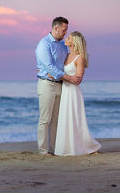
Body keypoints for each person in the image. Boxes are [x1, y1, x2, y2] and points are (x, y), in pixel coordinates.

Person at [35, 17, 82, 155]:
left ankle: (55, 149)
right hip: (47, 85)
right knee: (45, 120)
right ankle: (43, 151)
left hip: (61, 85)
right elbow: (48, 66)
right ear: (56, 28)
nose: (65, 33)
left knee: (56, 120)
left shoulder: (62, 45)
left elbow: (66, 62)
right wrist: (68, 77)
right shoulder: (44, 44)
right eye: (64, 30)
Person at [54, 31, 101, 156]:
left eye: (68, 37)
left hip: (73, 92)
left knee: (75, 119)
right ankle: (66, 148)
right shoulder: (66, 55)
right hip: (65, 90)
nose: (66, 38)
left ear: (73, 42)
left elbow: (78, 79)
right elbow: (63, 74)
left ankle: (87, 147)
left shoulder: (79, 58)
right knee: (65, 118)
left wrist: (62, 76)